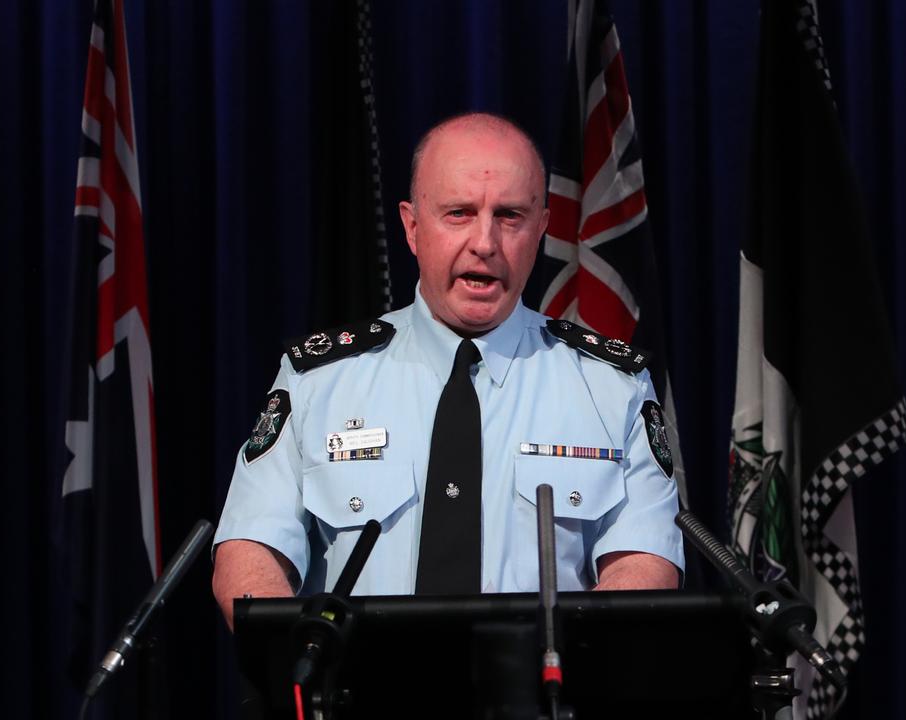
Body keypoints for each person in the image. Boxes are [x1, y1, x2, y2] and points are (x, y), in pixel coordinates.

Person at [212, 112, 682, 629]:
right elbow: (249, 554)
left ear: (542, 229)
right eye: (459, 213)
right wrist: (302, 669)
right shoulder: (318, 381)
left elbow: (645, 565)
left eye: (509, 216)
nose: (485, 242)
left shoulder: (612, 387)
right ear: (413, 228)